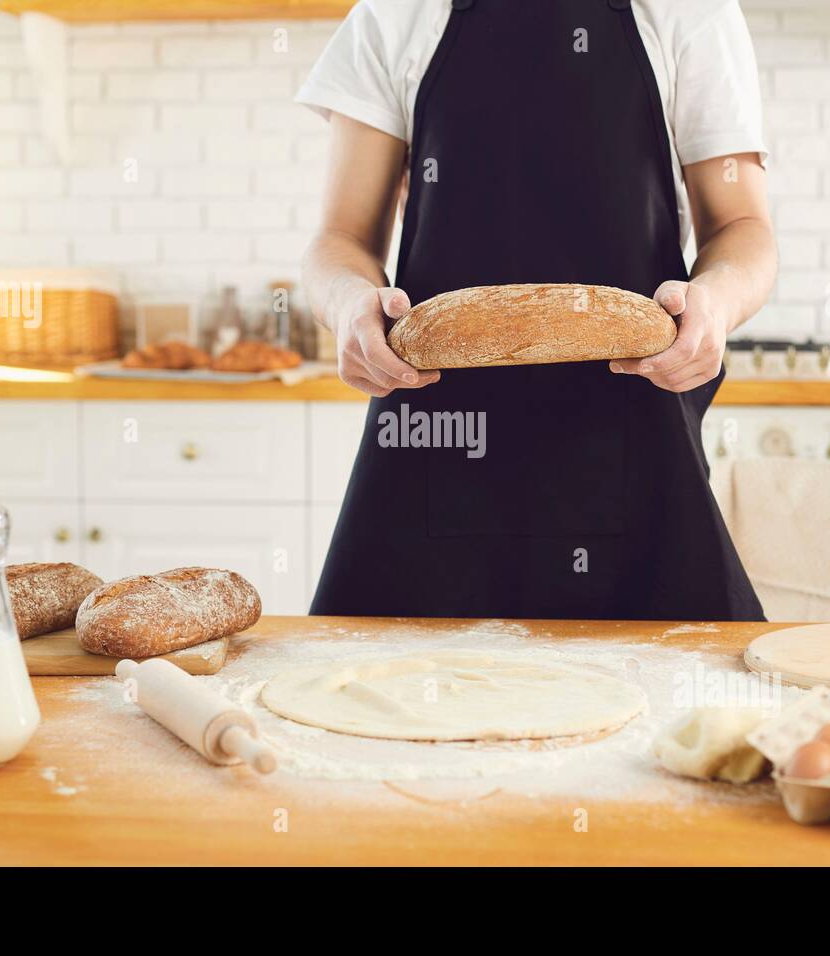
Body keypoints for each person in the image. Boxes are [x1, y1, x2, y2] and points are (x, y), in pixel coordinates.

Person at [298, 0, 775, 621]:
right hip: (434, 440)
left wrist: (715, 302)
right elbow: (340, 239)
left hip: (633, 432)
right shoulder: (395, 14)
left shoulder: (690, 12)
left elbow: (743, 226)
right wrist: (347, 304)